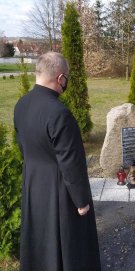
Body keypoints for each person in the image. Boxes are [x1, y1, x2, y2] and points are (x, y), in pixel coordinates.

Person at [14, 52, 101, 271]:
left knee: (40, 236)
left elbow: (23, 146)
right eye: (67, 77)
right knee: (68, 242)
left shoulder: (21, 105)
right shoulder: (60, 113)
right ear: (60, 78)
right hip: (59, 190)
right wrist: (81, 201)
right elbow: (71, 163)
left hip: (33, 183)